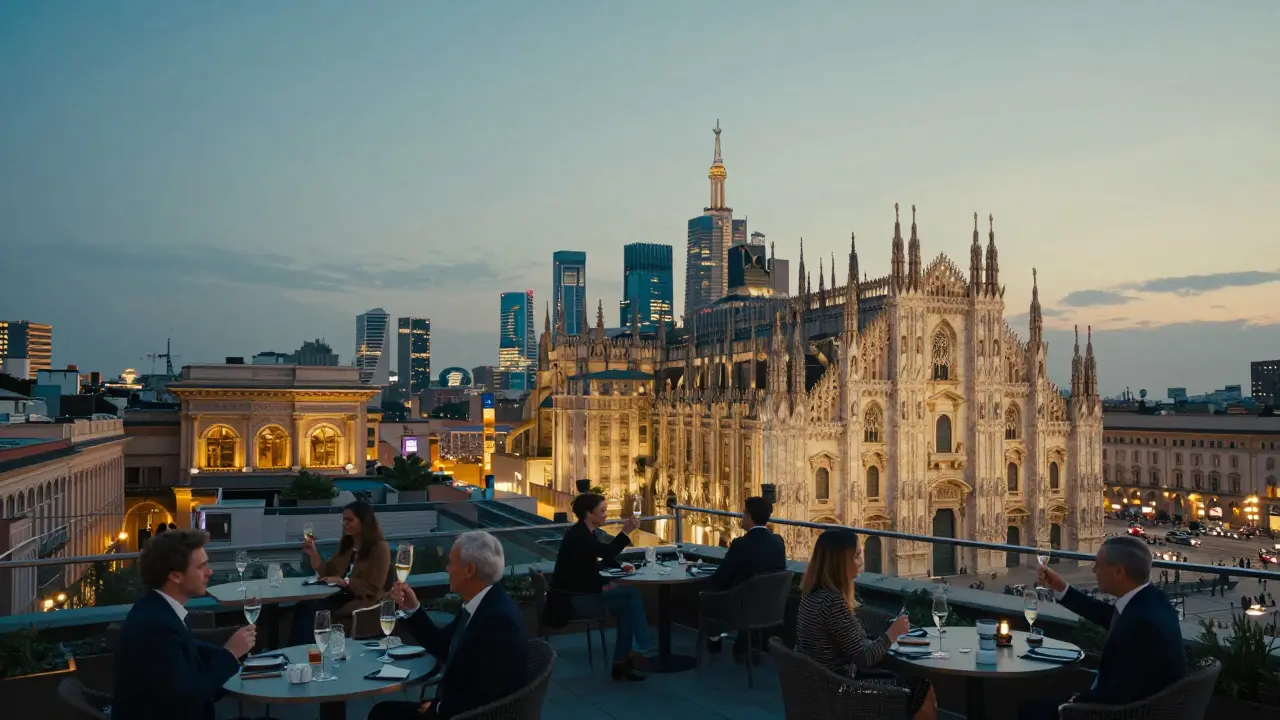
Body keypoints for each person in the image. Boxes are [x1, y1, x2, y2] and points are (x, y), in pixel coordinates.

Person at [1019, 536, 1186, 720]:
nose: (1093, 570)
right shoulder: (1153, 601)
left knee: (1030, 709)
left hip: (1119, 712)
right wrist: (1061, 588)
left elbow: (1114, 697)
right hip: (1140, 705)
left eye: (1098, 565)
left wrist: (1072, 702)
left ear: (1118, 572)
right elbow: (1107, 615)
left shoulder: (1141, 627)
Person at [369, 531, 527, 720]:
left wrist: (434, 708)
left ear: (469, 570)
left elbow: (485, 696)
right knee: (383, 711)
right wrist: (413, 609)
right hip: (456, 706)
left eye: (451, 563)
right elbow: (444, 646)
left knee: (382, 714)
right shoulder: (482, 604)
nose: (447, 569)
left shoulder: (499, 621)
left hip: (465, 714)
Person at [113, 529, 258, 720]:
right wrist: (230, 654)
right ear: (176, 576)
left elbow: (190, 649)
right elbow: (186, 701)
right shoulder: (156, 628)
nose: (210, 572)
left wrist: (229, 654)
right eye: (201, 566)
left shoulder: (159, 609)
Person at [795, 529, 936, 720]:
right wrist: (892, 633)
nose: (861, 562)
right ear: (839, 562)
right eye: (856, 556)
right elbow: (865, 658)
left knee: (909, 683)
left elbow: (852, 629)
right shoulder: (832, 602)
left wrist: (883, 627)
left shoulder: (812, 594)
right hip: (842, 691)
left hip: (820, 686)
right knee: (922, 689)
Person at [548, 492, 649, 681]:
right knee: (632, 594)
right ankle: (643, 648)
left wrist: (618, 568)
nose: (606, 515)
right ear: (589, 513)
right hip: (575, 602)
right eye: (602, 511)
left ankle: (621, 664)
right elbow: (605, 552)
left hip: (575, 596)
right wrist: (626, 531)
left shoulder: (583, 533)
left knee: (626, 610)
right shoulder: (580, 537)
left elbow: (590, 565)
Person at [290, 500, 390, 644]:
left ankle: (300, 652)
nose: (345, 524)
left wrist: (344, 582)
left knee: (310, 611)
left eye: (349, 520)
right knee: (304, 606)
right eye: (344, 520)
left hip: (360, 601)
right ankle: (298, 651)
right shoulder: (347, 546)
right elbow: (329, 572)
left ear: (364, 521)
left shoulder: (380, 548)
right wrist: (314, 555)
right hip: (338, 596)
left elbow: (373, 588)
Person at [706, 496, 788, 660]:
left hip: (743, 609)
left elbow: (721, 577)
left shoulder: (741, 544)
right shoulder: (778, 542)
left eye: (743, 514)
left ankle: (714, 642)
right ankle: (744, 645)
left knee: (710, 597)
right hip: (772, 608)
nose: (741, 518)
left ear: (749, 517)